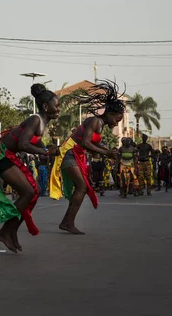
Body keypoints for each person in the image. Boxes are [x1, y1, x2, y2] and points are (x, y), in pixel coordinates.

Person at [0, 84, 59, 252]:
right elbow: (23, 144)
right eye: (57, 105)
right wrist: (45, 150)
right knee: (29, 192)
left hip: (8, 155)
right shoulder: (35, 120)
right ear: (46, 107)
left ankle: (11, 231)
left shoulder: (42, 124)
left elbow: (39, 146)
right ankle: (5, 231)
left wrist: (51, 150)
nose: (59, 109)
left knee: (35, 190)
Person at [50, 80, 125, 235]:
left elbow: (89, 145)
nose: (116, 124)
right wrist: (106, 153)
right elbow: (85, 142)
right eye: (116, 120)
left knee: (81, 187)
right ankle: (67, 222)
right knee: (82, 187)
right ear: (109, 114)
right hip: (69, 154)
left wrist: (105, 150)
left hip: (75, 155)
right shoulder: (95, 121)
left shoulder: (100, 124)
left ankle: (67, 222)